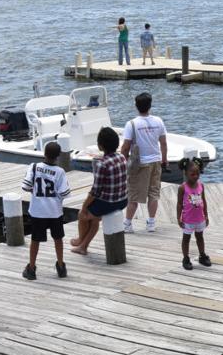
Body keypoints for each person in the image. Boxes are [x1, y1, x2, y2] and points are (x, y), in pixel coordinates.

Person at [71, 126, 128, 255]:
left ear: (100, 146)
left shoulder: (102, 164)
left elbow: (95, 191)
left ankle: (81, 241)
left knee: (82, 215)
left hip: (109, 203)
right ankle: (83, 246)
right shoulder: (122, 158)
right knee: (94, 218)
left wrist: (84, 207)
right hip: (123, 200)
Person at [21, 140, 71, 280]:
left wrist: (34, 191)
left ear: (44, 153)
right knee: (58, 238)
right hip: (54, 211)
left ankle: (31, 268)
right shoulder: (60, 172)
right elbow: (64, 193)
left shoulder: (34, 167)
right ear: (58, 156)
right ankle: (61, 266)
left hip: (37, 211)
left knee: (35, 239)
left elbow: (25, 186)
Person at [121, 91, 167, 233]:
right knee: (154, 193)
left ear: (136, 106)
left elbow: (126, 146)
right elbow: (163, 143)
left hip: (139, 164)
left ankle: (128, 224)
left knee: (133, 194)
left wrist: (122, 160)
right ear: (150, 105)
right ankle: (151, 223)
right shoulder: (158, 121)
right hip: (156, 161)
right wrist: (164, 160)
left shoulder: (132, 124)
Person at [177, 157, 211, 269]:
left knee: (200, 237)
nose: (196, 176)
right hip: (188, 219)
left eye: (197, 174)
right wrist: (179, 218)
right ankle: (186, 258)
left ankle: (202, 255)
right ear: (186, 173)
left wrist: (206, 215)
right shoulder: (183, 188)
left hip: (200, 219)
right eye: (192, 174)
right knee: (186, 238)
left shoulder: (201, 186)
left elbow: (204, 201)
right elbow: (179, 204)